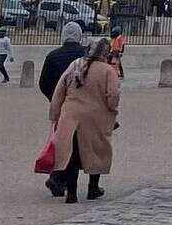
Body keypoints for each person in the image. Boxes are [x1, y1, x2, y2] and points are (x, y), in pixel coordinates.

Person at [48, 38, 120, 204]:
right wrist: (112, 110)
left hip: (71, 114)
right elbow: (113, 95)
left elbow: (59, 90)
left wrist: (55, 113)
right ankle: (92, 188)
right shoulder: (108, 71)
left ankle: (71, 193)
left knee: (72, 154)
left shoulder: (75, 65)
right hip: (95, 116)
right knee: (96, 150)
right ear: (105, 52)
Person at [39, 21, 86, 198]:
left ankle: (58, 176)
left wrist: (54, 99)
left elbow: (43, 83)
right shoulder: (84, 55)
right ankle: (59, 177)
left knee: (61, 141)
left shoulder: (53, 56)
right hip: (81, 105)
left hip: (60, 106)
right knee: (77, 144)